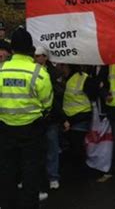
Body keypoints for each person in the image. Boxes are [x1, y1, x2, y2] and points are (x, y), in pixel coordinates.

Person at [0, 28, 53, 209]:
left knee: (7, 172)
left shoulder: (1, 70)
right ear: (30, 48)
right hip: (32, 130)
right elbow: (47, 103)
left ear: (12, 48)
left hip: (5, 129)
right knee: (31, 173)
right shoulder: (39, 73)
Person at [34, 47, 64, 190]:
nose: (36, 58)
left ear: (45, 57)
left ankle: (53, 176)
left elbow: (57, 98)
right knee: (36, 151)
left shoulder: (54, 73)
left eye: (39, 56)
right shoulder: (32, 71)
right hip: (35, 118)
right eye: (35, 55)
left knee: (52, 149)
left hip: (50, 118)